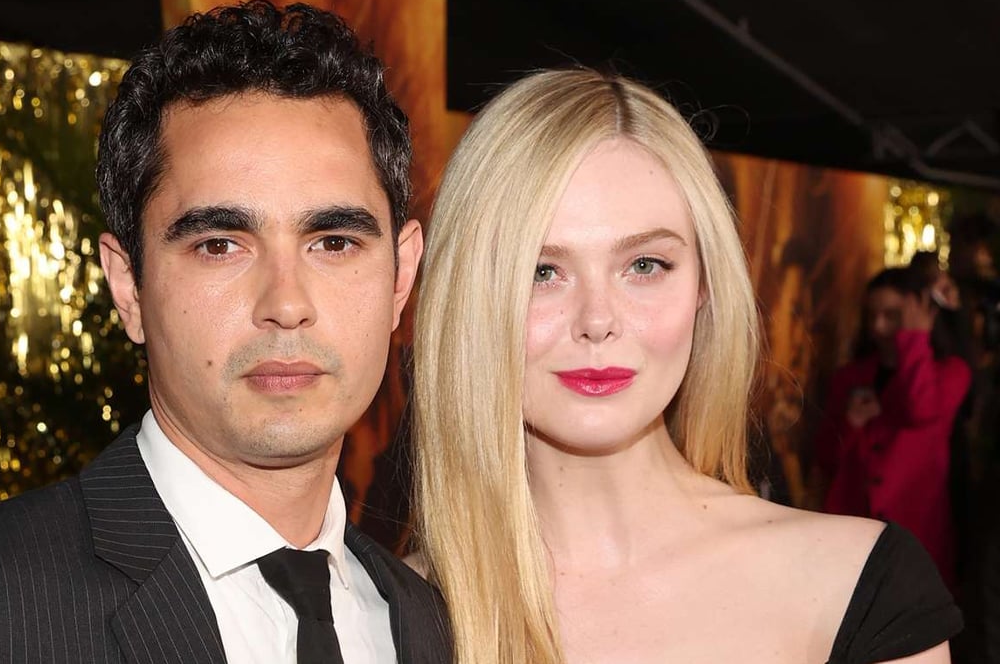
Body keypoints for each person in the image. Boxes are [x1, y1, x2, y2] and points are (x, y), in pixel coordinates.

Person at [0, 0, 450, 664]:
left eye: (333, 242)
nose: (286, 303)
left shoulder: (429, 625)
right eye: (219, 245)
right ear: (128, 285)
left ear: (400, 276)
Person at [410, 68, 960, 664]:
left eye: (644, 266)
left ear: (703, 285)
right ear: (468, 296)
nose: (597, 320)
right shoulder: (384, 618)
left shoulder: (858, 589)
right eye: (541, 271)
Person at [818, 266, 972, 589]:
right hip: (851, 536)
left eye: (891, 315)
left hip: (916, 537)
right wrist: (850, 425)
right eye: (872, 315)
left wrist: (915, 338)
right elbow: (826, 458)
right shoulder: (850, 376)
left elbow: (921, 410)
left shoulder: (951, 373)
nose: (878, 326)